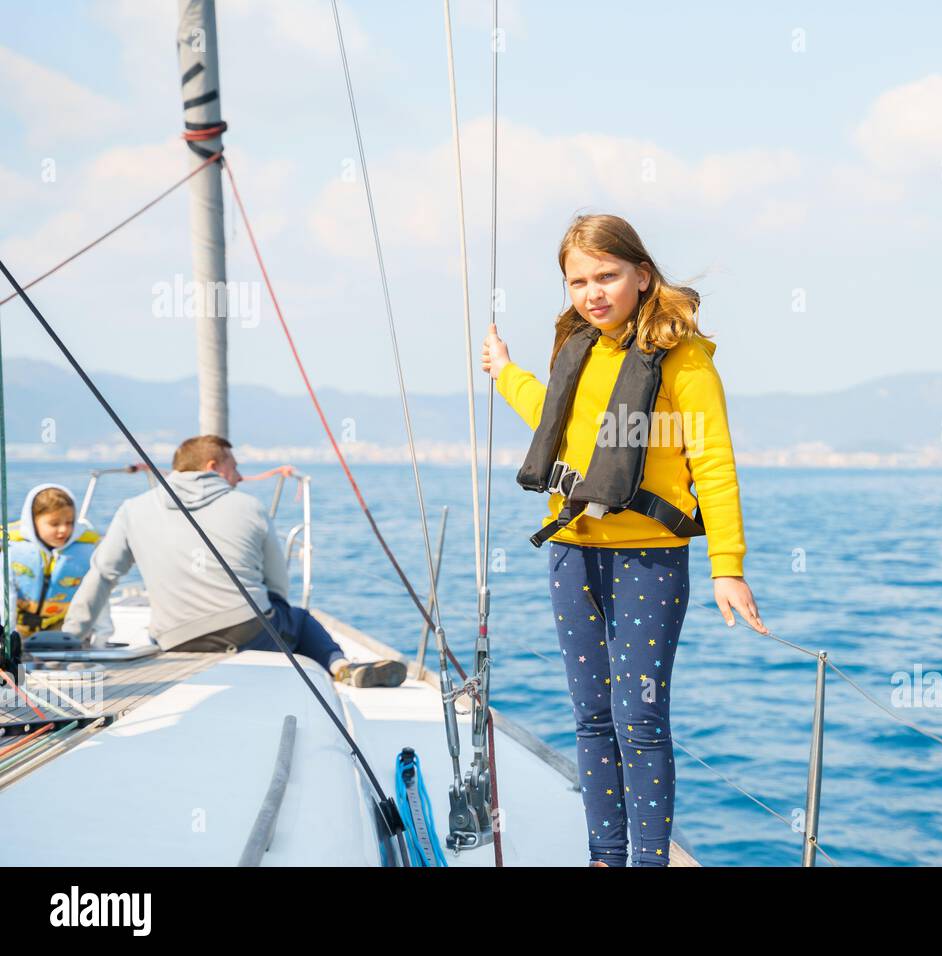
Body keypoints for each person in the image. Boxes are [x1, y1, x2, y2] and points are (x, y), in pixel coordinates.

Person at [481, 213, 768, 867]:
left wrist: (729, 565)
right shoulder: (577, 347)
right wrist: (504, 371)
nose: (593, 292)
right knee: (591, 718)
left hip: (649, 559)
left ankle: (648, 861)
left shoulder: (682, 358)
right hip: (571, 554)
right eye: (578, 281)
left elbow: (715, 464)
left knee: (637, 720)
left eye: (607, 275)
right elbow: (551, 416)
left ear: (642, 274)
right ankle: (605, 857)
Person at [62, 435, 405, 688]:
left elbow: (102, 575)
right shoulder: (249, 507)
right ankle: (340, 666)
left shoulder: (132, 509)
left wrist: (70, 638)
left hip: (175, 639)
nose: (240, 477)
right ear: (213, 467)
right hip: (249, 632)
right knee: (298, 619)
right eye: (235, 467)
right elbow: (278, 587)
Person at [3, 483, 100, 637]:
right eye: (54, 524)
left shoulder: (87, 552)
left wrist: (100, 638)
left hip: (62, 627)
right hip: (18, 630)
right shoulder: (11, 551)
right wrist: (7, 638)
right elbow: (5, 598)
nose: (63, 529)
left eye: (69, 523)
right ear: (33, 522)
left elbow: (97, 597)